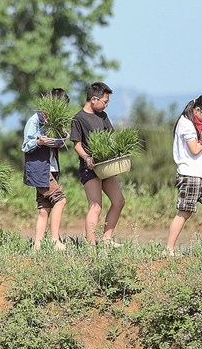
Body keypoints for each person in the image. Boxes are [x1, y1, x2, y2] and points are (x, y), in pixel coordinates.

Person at [166, 95, 202, 254]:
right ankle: (168, 249)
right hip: (189, 175)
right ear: (197, 110)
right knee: (184, 213)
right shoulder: (186, 124)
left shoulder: (196, 123)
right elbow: (194, 149)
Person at [70, 82, 125, 246]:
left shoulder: (103, 116)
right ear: (94, 99)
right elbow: (77, 144)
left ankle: (107, 239)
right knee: (96, 206)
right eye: (105, 101)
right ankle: (91, 246)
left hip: (106, 166)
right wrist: (87, 158)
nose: (106, 105)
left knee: (119, 201)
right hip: (90, 168)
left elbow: (111, 137)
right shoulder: (78, 118)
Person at [22, 88, 69, 250]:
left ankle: (37, 245)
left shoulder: (55, 122)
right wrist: (39, 142)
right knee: (60, 199)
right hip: (40, 169)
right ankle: (54, 240)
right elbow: (25, 146)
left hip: (52, 167)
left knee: (44, 208)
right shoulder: (35, 120)